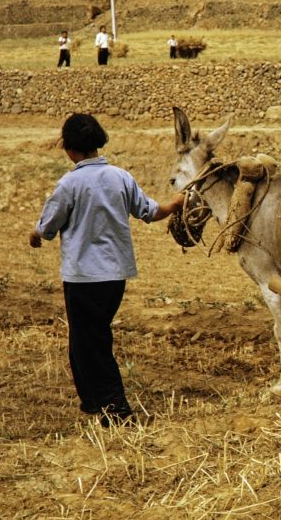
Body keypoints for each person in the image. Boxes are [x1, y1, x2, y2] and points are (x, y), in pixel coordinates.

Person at [29, 114, 184, 425]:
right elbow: (151, 212)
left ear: (70, 150)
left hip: (83, 277)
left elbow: (47, 226)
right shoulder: (120, 177)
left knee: (91, 342)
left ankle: (117, 410)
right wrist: (176, 203)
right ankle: (92, 401)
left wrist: (35, 235)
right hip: (115, 276)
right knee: (87, 339)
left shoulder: (69, 184)